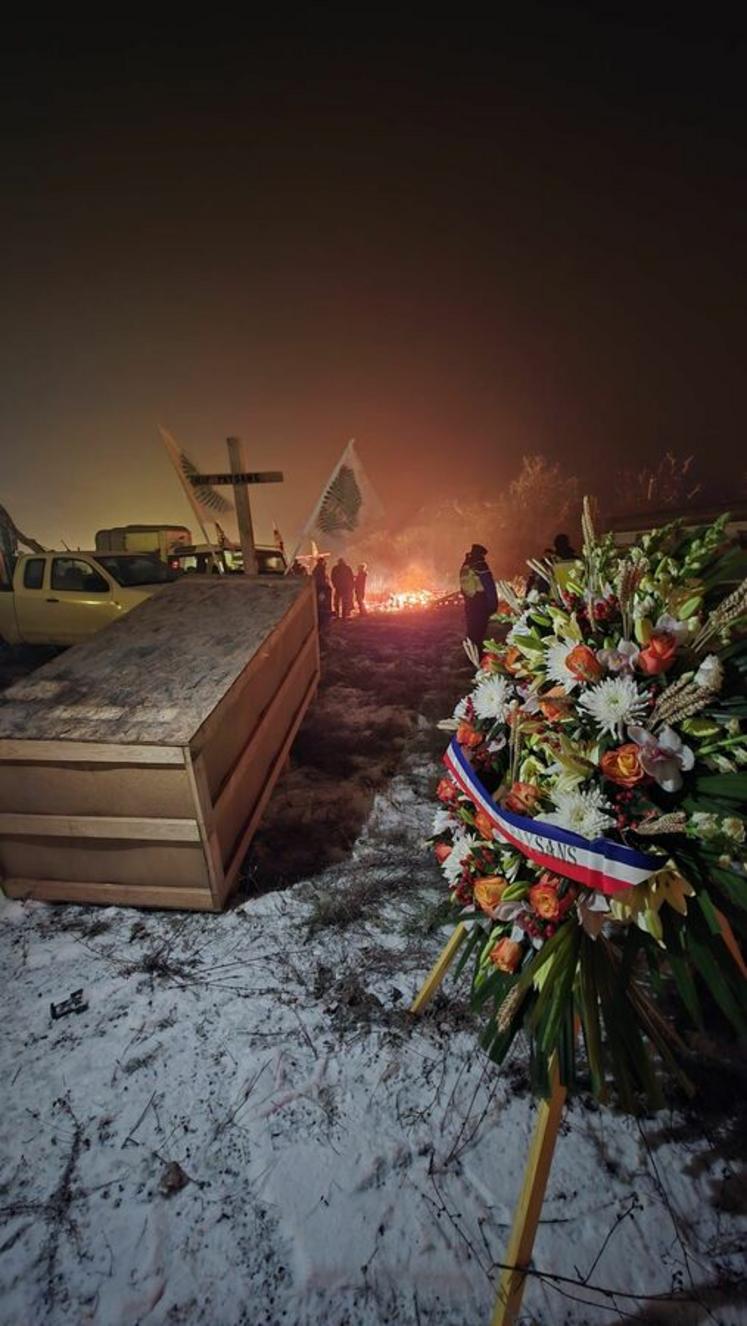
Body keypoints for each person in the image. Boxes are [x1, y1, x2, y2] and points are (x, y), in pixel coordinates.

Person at [459, 543, 498, 647]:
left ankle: (470, 652)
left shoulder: (466, 564)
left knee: (472, 628)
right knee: (480, 629)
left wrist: (467, 598)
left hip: (470, 600)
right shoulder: (480, 565)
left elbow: (463, 586)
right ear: (481, 554)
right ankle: (477, 655)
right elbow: (489, 585)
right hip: (480, 601)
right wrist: (493, 604)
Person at [312, 557, 333, 623]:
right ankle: (324, 612)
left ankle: (322, 611)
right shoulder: (320, 568)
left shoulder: (316, 568)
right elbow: (323, 577)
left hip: (319, 587)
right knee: (322, 600)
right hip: (322, 587)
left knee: (321, 600)